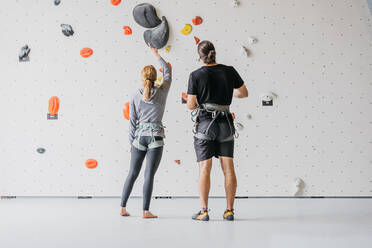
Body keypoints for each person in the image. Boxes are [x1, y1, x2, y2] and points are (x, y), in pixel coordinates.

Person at [186, 40, 248, 221]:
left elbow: (190, 105)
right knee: (228, 168)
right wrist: (229, 93)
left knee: (205, 168)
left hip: (205, 125)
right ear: (214, 53)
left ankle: (204, 211)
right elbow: (243, 93)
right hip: (226, 125)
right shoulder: (229, 71)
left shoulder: (195, 75)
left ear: (200, 56)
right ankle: (229, 211)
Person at [120, 44, 172, 219]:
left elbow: (132, 121)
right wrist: (156, 54)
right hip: (156, 137)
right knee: (148, 175)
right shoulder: (162, 91)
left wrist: (131, 143)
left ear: (141, 78)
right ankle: (145, 211)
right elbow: (168, 72)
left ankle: (122, 208)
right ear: (155, 77)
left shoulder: (135, 95)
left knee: (132, 173)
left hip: (139, 138)